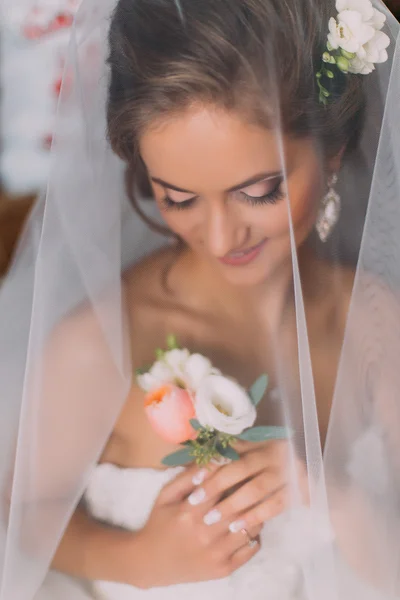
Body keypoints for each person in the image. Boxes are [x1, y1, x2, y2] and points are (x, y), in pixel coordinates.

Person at [0, 0, 399, 599]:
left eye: (259, 191)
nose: (220, 238)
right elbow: (16, 510)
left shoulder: (379, 323)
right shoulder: (101, 344)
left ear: (333, 152)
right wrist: (137, 558)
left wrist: (335, 496)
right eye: (179, 198)